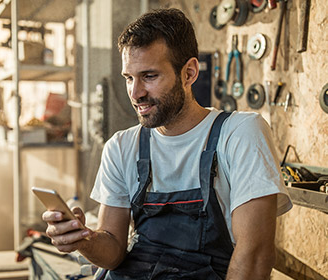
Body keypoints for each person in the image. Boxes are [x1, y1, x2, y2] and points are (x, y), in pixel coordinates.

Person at [42, 8, 292, 279]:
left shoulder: (240, 133)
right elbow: (113, 249)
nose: (136, 93)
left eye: (149, 76)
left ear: (189, 73)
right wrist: (84, 239)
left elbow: (255, 254)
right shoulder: (122, 146)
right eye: (129, 78)